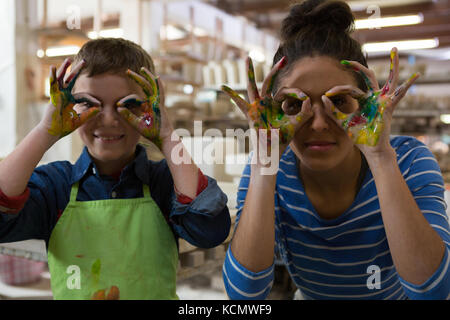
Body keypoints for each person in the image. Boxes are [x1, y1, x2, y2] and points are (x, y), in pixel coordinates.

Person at [222, 0, 450, 299]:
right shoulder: (269, 166)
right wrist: (265, 167)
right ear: (276, 111)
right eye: (295, 104)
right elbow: (244, 296)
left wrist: (381, 159)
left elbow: (433, 291)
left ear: (367, 105)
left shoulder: (408, 160)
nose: (317, 123)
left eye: (339, 102)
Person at [0, 38, 230, 299]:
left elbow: (209, 230)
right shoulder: (56, 186)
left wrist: (166, 134)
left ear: (151, 106)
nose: (108, 119)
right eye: (89, 103)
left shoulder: (164, 182)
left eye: (128, 104)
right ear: (68, 105)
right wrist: (44, 131)